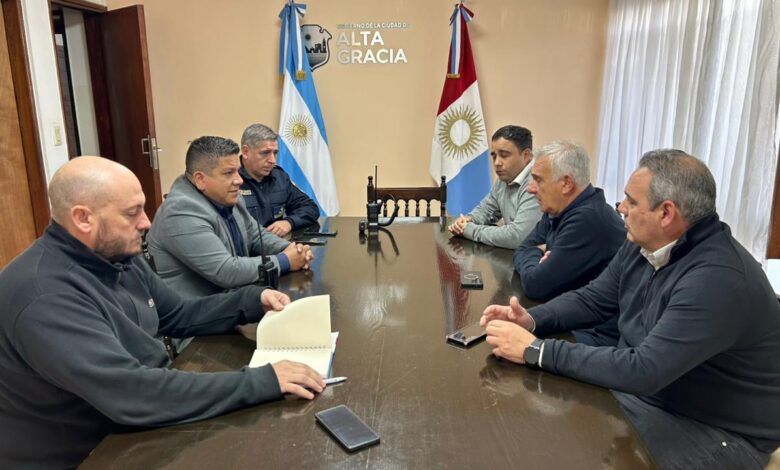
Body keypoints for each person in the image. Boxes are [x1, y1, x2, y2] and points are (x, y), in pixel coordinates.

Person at [0, 157, 325, 468]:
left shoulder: (114, 254)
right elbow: (131, 393)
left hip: (135, 426)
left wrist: (251, 301)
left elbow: (177, 314)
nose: (146, 222)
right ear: (83, 218)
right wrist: (263, 381)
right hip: (88, 455)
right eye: (132, 213)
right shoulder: (43, 294)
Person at [482, 150, 780, 469]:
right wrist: (531, 320)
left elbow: (644, 370)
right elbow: (594, 299)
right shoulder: (644, 242)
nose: (621, 208)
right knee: (551, 420)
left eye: (631, 201)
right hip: (655, 396)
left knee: (570, 447)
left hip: (717, 430)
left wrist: (536, 351)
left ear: (666, 213)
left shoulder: (718, 279)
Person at [147, 136, 313, 299]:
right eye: (228, 173)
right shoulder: (180, 212)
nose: (239, 180)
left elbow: (255, 235)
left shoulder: (228, 195)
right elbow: (225, 270)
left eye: (237, 171)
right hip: (197, 310)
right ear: (200, 179)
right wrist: (284, 260)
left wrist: (292, 249)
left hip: (232, 298)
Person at [513, 140, 625, 345]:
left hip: (596, 334)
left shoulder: (588, 219)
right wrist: (538, 252)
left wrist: (538, 253)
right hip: (567, 314)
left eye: (538, 180)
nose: (530, 189)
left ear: (566, 183)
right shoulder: (557, 208)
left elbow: (535, 284)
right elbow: (523, 249)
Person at [448, 125, 541, 249]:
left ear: (526, 155)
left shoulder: (537, 181)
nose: (497, 163)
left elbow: (518, 237)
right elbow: (486, 209)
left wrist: (470, 230)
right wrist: (468, 220)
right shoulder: (505, 177)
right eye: (494, 156)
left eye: (504, 155)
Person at [239, 123, 320, 237]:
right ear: (245, 152)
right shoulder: (231, 180)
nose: (272, 160)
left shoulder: (279, 177)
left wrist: (289, 222)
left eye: (275, 153)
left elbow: (310, 208)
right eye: (265, 153)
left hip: (277, 244)